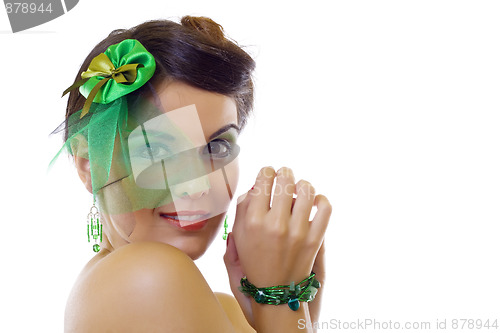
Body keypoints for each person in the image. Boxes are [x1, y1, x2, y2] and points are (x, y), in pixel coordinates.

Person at [56, 16, 332, 332]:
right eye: (158, 150)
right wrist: (282, 297)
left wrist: (294, 303)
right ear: (88, 164)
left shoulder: (217, 305)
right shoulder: (147, 277)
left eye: (216, 147)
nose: (198, 186)